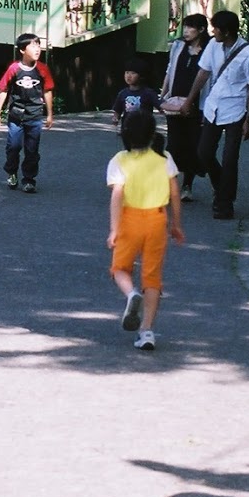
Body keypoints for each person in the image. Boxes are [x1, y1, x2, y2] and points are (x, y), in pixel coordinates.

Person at [105, 114, 185, 351]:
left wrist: (114, 229)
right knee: (152, 278)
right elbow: (175, 193)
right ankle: (147, 331)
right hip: (157, 220)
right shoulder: (164, 158)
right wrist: (176, 224)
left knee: (119, 268)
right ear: (152, 134)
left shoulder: (119, 160)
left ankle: (131, 295)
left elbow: (117, 195)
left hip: (130, 219)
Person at [185, 10, 249, 221]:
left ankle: (224, 203)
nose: (212, 32)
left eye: (215, 29)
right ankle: (222, 187)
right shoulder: (213, 46)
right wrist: (189, 100)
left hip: (236, 110)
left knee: (230, 158)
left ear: (226, 31)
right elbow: (203, 73)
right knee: (203, 153)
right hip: (213, 106)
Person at [0, 33, 54, 194]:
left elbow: (47, 91)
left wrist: (49, 114)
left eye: (38, 45)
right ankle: (12, 172)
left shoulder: (42, 69)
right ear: (22, 50)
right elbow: (3, 89)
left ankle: (29, 180)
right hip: (16, 115)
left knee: (32, 150)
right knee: (14, 146)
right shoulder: (14, 68)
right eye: (33, 46)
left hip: (35, 115)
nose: (37, 49)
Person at [159, 14, 208, 201]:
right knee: (173, 145)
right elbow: (169, 71)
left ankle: (187, 185)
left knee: (193, 145)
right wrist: (162, 96)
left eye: (191, 27)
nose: (186, 31)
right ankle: (168, 184)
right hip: (175, 102)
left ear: (201, 30)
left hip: (198, 105)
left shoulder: (209, 50)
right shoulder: (178, 46)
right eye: (185, 27)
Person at [109, 63, 162, 129]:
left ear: (141, 76)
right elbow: (117, 110)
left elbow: (160, 105)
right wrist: (115, 119)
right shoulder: (122, 93)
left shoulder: (149, 93)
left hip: (144, 128)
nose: (129, 76)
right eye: (127, 73)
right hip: (127, 128)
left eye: (133, 73)